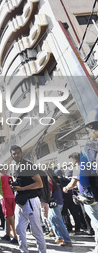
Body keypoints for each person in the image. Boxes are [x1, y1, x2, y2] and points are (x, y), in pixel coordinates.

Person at [63, 108, 98, 252]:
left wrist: (87, 193)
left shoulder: (88, 148)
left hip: (94, 194)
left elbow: (83, 175)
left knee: (96, 222)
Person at [10, 145, 46, 253]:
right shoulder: (15, 167)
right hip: (20, 202)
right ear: (11, 155)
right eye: (14, 153)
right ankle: (24, 251)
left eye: (18, 152)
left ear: (21, 153)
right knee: (19, 229)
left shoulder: (28, 165)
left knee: (36, 231)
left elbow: (39, 184)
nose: (16, 155)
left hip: (31, 201)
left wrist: (22, 188)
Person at [47, 169, 72, 247]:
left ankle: (67, 240)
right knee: (51, 218)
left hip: (54, 203)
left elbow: (50, 193)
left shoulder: (49, 181)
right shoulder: (56, 180)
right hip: (59, 202)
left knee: (59, 222)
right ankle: (59, 237)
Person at [0, 167, 18, 243]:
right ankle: (8, 234)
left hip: (4, 197)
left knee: (9, 217)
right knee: (8, 216)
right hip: (11, 196)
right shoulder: (9, 177)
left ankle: (15, 237)